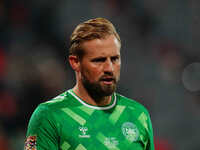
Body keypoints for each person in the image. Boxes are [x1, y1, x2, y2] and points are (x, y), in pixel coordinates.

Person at [24, 18, 155, 150]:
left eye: (115, 59)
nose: (109, 68)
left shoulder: (138, 114)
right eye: (99, 60)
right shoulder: (50, 116)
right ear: (75, 62)